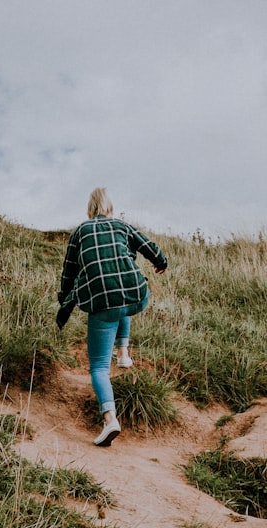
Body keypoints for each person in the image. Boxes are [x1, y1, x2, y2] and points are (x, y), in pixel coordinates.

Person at [57, 187, 168, 447]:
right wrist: (161, 262)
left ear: (88, 212)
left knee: (97, 367)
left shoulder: (79, 232)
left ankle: (110, 420)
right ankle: (123, 353)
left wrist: (64, 299)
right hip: (136, 296)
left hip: (101, 304)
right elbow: (150, 247)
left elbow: (68, 272)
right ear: (110, 210)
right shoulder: (122, 225)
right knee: (123, 299)